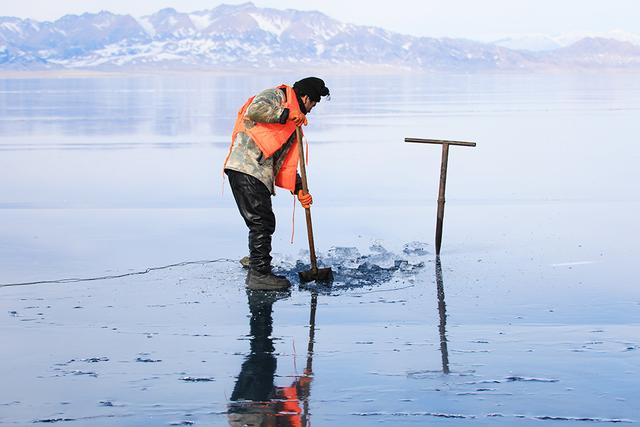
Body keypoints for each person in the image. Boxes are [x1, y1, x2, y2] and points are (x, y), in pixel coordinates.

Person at [224, 77, 330, 291]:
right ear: (306, 97)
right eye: (313, 103)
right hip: (246, 166)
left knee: (261, 220)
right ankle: (259, 274)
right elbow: (254, 110)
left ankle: (256, 262)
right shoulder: (277, 96)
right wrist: (286, 114)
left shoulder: (294, 124)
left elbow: (283, 164)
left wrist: (299, 188)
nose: (312, 109)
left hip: (258, 172)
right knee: (261, 221)